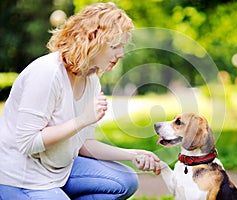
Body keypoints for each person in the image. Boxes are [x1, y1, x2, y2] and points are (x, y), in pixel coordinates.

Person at [0, 2, 161, 200]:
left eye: (122, 47)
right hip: (22, 177)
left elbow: (83, 145)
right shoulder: (47, 73)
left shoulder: (91, 79)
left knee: (126, 180)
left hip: (61, 170)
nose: (121, 54)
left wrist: (132, 154)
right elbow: (28, 142)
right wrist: (83, 119)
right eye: (114, 46)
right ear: (91, 42)